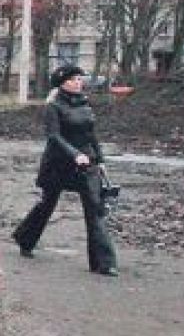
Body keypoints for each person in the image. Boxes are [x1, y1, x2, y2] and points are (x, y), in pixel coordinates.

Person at [13, 64, 119, 276]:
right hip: (58, 163)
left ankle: (104, 263)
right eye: (73, 80)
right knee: (47, 204)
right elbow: (54, 136)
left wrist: (100, 159)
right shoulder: (54, 106)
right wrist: (74, 154)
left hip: (86, 164)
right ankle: (25, 239)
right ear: (62, 83)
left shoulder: (85, 105)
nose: (78, 83)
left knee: (95, 209)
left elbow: (91, 135)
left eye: (79, 79)